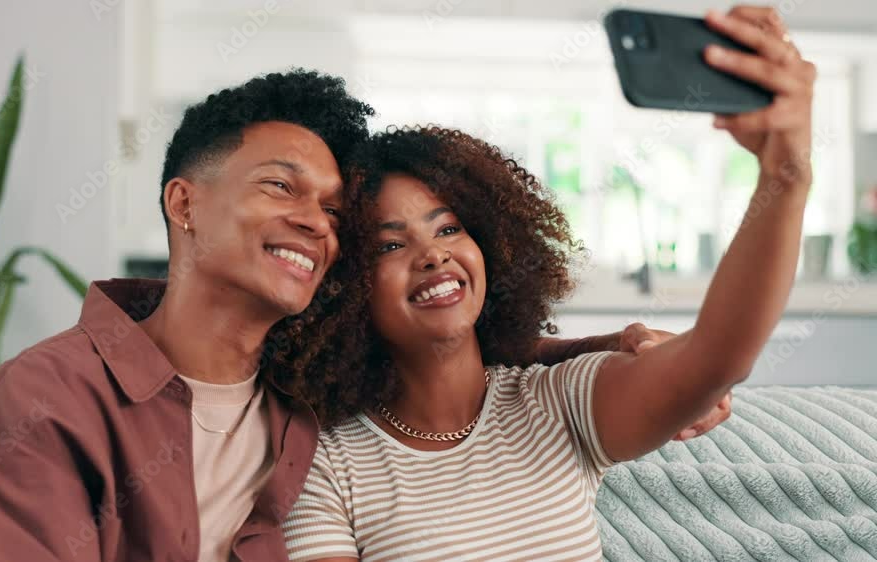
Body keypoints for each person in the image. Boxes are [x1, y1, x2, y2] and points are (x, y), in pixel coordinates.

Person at [0, 70, 717, 562]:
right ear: (184, 202)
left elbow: (444, 356)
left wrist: (610, 347)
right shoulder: (43, 404)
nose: (316, 221)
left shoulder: (302, 390)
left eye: (333, 209)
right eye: (282, 187)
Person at [281, 6, 815, 561]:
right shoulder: (325, 462)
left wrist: (785, 173)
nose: (433, 254)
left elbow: (716, 358)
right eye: (391, 245)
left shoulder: (557, 403)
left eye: (449, 227)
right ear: (343, 286)